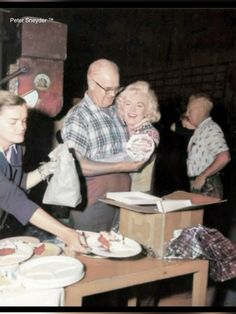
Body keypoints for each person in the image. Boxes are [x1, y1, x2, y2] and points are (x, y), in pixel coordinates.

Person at [61, 58, 144, 232]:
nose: (113, 94)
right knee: (92, 254)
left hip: (123, 198)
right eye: (108, 89)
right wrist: (122, 165)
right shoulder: (79, 117)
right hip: (93, 202)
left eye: (116, 88)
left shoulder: (118, 111)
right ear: (91, 83)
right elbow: (76, 165)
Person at [0, 90, 86, 253]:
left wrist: (46, 169)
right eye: (13, 122)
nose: (22, 127)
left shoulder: (16, 148)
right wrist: (65, 232)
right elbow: (13, 199)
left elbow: (19, 183)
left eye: (24, 120)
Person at [116, 80, 161, 192]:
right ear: (122, 107)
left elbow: (136, 160)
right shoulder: (120, 128)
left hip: (136, 195)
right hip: (115, 190)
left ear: (147, 111)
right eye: (128, 104)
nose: (132, 110)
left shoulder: (150, 132)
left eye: (139, 105)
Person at [185, 93, 231, 198]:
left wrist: (203, 176)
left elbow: (224, 157)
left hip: (207, 185)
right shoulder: (200, 130)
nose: (187, 114)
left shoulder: (210, 129)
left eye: (189, 110)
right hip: (199, 183)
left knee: (206, 214)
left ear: (200, 111)